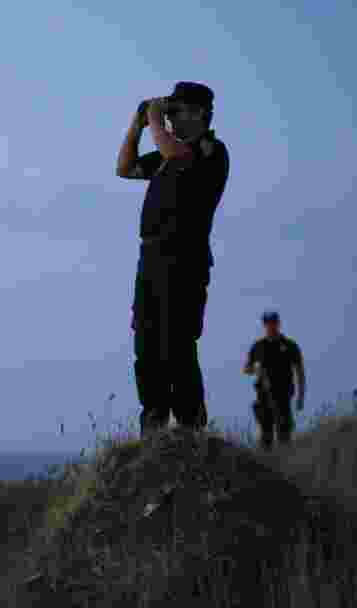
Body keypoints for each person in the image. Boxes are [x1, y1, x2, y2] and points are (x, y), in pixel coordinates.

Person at [117, 81, 230, 435]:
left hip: (184, 261)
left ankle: (190, 427)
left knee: (177, 344)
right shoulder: (168, 155)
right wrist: (137, 126)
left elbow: (178, 155)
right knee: (147, 344)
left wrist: (153, 119)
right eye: (169, 112)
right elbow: (124, 168)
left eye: (176, 112)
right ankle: (152, 424)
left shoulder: (209, 150)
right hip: (150, 259)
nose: (171, 120)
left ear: (199, 113)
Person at [243, 311, 306, 450]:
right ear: (264, 325)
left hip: (284, 395)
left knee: (284, 433)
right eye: (268, 323)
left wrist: (301, 397)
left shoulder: (289, 345)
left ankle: (286, 464)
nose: (271, 326)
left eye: (274, 323)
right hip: (263, 395)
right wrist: (255, 369)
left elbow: (300, 372)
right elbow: (246, 368)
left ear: (278, 324)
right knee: (266, 435)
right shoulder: (258, 346)